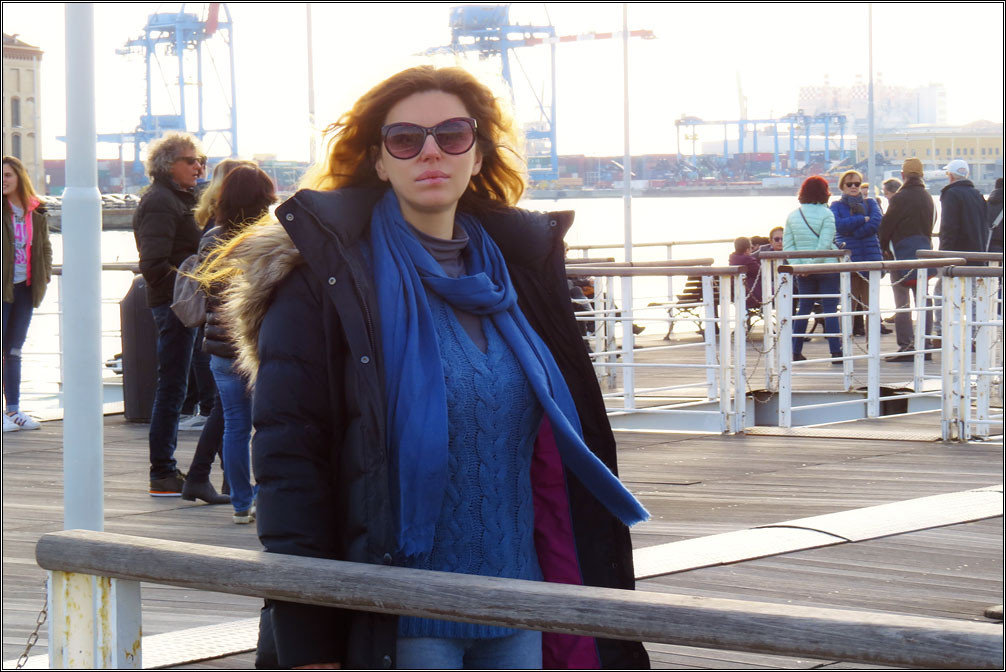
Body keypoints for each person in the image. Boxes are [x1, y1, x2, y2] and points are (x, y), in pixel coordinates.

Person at [205, 65, 650, 669]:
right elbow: (291, 468)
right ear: (379, 160)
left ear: (478, 153)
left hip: (521, 602)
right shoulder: (323, 286)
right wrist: (309, 645)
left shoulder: (519, 276)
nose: (431, 152)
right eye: (406, 139)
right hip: (399, 618)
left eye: (453, 134)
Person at [198, 164, 276, 523]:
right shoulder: (268, 237)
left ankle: (241, 504)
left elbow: (208, 293)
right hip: (259, 345)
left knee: (235, 426)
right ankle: (265, 498)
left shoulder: (211, 238)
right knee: (266, 426)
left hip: (220, 346)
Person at [132, 133, 206, 496]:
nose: (198, 167)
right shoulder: (161, 201)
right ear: (167, 165)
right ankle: (162, 471)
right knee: (173, 386)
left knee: (183, 385)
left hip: (182, 303)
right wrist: (188, 290)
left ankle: (173, 471)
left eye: (201, 161)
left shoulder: (178, 198)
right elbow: (153, 264)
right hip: (176, 305)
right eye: (190, 161)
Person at [2, 156, 52, 433]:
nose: (3, 180)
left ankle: (13, 410)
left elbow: (44, 246)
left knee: (14, 350)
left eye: (7, 175)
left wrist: (45, 273)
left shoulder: (36, 210)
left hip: (25, 288)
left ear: (19, 177)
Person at [878, 158, 935, 361]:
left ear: (903, 175)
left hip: (901, 256)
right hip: (925, 254)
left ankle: (907, 346)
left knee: (902, 301)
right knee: (924, 300)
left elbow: (886, 226)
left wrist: (883, 248)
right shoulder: (928, 197)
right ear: (921, 175)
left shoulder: (900, 198)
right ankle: (925, 344)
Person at [783, 175, 843, 362]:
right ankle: (835, 352)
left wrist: (801, 267)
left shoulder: (793, 215)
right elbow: (825, 244)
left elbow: (788, 247)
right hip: (827, 268)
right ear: (825, 192)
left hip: (802, 271)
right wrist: (814, 264)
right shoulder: (827, 214)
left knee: (804, 308)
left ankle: (795, 350)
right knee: (830, 309)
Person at [830, 170, 889, 337]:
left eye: (857, 183)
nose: (854, 187)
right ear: (842, 186)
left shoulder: (871, 203)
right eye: (849, 184)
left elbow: (876, 222)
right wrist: (862, 219)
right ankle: (844, 344)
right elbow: (839, 225)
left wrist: (855, 232)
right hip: (850, 260)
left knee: (872, 305)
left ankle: (873, 344)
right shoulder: (836, 206)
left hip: (871, 258)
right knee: (849, 305)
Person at [939, 159, 989, 261]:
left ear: (951, 176)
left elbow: (948, 228)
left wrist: (943, 254)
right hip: (978, 254)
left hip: (958, 256)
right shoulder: (977, 195)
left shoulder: (951, 194)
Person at [728, 236, 761, 310]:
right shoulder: (748, 260)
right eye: (751, 248)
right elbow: (759, 272)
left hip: (737, 293)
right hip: (751, 294)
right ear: (747, 250)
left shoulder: (733, 259)